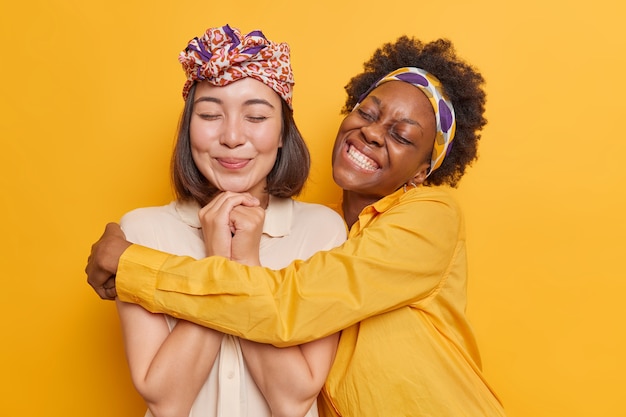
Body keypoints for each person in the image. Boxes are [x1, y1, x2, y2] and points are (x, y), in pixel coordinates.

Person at [87, 35, 508, 416]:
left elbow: (294, 303)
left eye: (401, 136)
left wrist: (131, 265)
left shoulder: (429, 217)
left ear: (421, 171)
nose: (373, 134)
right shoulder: (330, 226)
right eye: (367, 112)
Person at [114, 24, 346, 417]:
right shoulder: (140, 233)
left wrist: (246, 263)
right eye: (209, 115)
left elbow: (292, 399)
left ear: (281, 135)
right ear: (189, 130)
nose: (233, 136)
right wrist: (217, 261)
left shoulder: (321, 232)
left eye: (255, 116)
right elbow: (167, 401)